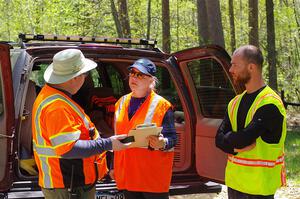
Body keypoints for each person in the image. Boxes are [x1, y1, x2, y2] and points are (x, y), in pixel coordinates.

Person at [32, 49, 128, 199]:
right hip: (68, 186)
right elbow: (68, 149)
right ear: (74, 78)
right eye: (85, 74)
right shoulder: (57, 107)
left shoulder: (54, 96)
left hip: (70, 183)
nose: (85, 79)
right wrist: (108, 144)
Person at [215, 45, 287, 199]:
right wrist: (234, 142)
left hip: (259, 188)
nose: (230, 70)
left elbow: (244, 138)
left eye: (235, 64)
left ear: (251, 67)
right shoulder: (234, 102)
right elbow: (218, 140)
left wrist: (230, 141)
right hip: (235, 184)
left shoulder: (270, 103)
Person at [111, 58, 177, 199]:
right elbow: (117, 138)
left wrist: (162, 143)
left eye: (140, 75)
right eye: (132, 73)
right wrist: (113, 166)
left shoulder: (162, 105)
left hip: (152, 179)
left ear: (151, 80)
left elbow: (172, 138)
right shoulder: (120, 103)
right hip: (128, 175)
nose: (134, 77)